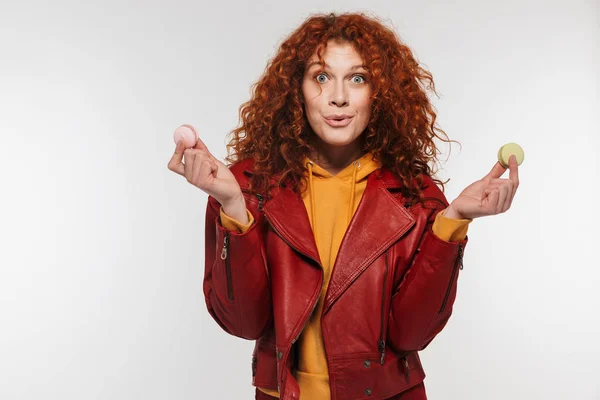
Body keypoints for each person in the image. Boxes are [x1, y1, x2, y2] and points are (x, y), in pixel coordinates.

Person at [168, 11, 519, 400]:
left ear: (379, 92)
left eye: (357, 78)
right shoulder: (249, 186)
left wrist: (453, 221)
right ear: (295, 89)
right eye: (321, 77)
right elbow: (245, 323)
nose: (338, 96)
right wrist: (232, 205)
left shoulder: (415, 197)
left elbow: (412, 334)